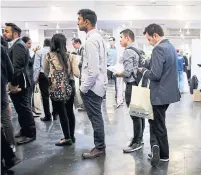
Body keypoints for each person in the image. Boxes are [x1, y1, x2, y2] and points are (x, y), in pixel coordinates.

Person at [139, 24, 181, 166]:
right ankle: (155, 147)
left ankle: (163, 155)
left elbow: (155, 74)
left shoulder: (158, 48)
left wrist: (143, 71)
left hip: (159, 94)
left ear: (155, 35)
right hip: (168, 93)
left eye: (149, 39)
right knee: (156, 122)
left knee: (158, 125)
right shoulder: (170, 47)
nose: (149, 42)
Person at [77, 9, 108, 159]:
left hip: (92, 87)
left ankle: (100, 147)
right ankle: (99, 146)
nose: (78, 22)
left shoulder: (91, 41)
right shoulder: (98, 38)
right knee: (97, 117)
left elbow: (93, 70)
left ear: (86, 22)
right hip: (98, 85)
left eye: (79, 19)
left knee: (96, 118)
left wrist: (83, 88)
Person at [44, 33, 80, 146]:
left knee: (61, 112)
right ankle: (72, 136)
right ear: (64, 43)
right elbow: (77, 74)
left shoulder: (48, 56)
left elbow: (45, 72)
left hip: (56, 87)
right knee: (70, 111)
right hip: (70, 85)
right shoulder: (71, 56)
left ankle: (67, 137)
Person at [4, 23, 36, 145]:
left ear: (15, 33)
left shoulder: (18, 45)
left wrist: (13, 84)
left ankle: (30, 133)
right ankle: (24, 130)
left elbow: (17, 67)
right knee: (20, 109)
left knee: (24, 108)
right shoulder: (15, 45)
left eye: (7, 31)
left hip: (20, 83)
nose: (4, 33)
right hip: (18, 82)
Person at [114, 29, 145, 153]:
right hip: (139, 84)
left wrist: (117, 73)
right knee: (140, 114)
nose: (120, 40)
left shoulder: (127, 52)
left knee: (135, 115)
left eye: (121, 37)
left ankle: (136, 142)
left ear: (127, 38)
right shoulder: (138, 50)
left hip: (131, 85)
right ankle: (139, 138)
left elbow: (127, 73)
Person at [33, 39, 54, 121]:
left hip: (43, 75)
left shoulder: (39, 52)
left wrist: (35, 79)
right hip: (53, 75)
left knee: (45, 96)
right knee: (54, 94)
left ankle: (48, 115)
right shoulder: (54, 52)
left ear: (43, 44)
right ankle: (55, 113)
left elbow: (36, 67)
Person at [1, 36, 16, 151]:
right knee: (6, 119)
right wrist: (10, 83)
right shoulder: (2, 49)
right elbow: (10, 70)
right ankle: (11, 146)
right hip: (1, 88)